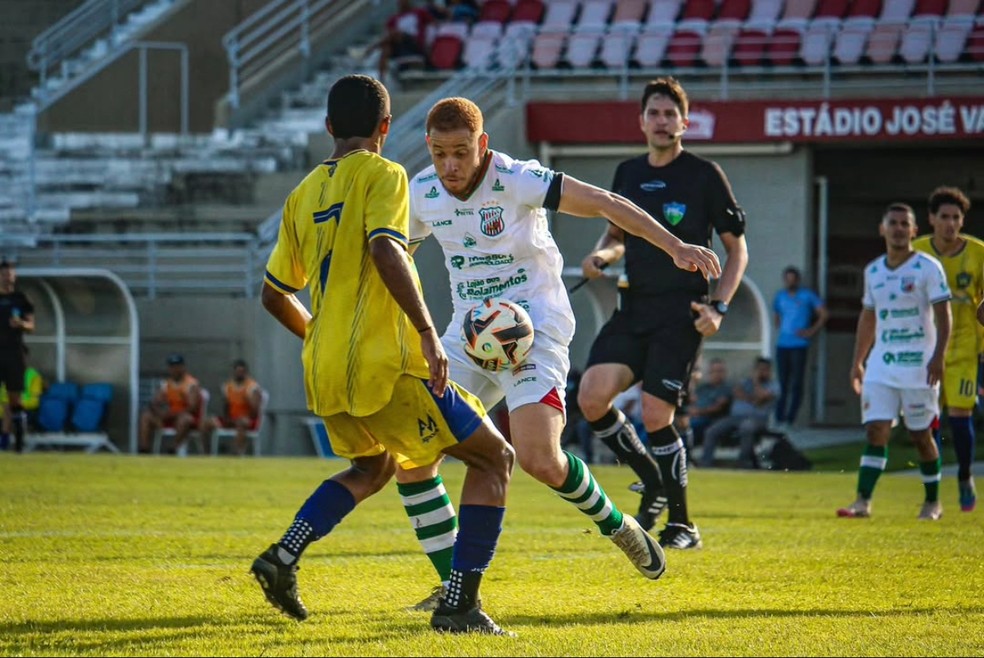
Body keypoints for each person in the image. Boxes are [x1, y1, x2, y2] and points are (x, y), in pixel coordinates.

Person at [399, 95, 721, 609]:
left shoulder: (516, 178)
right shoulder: (422, 191)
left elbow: (606, 203)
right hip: (468, 336)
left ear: (483, 144)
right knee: (412, 456)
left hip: (536, 330)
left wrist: (675, 247)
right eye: (439, 154)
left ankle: (618, 525)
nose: (450, 166)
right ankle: (452, 589)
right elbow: (395, 253)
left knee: (539, 460)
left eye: (460, 152)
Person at [251, 75, 516, 636]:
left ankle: (283, 555)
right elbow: (385, 248)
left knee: (372, 467)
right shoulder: (385, 174)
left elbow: (274, 294)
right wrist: (426, 330)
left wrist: (322, 339)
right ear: (386, 127)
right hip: (385, 365)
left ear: (329, 126)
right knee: (494, 459)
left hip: (323, 369)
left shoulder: (301, 195)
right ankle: (459, 606)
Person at [576, 77, 750, 547]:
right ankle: (652, 480)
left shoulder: (705, 175)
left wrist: (719, 307)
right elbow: (616, 236)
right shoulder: (628, 173)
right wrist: (601, 256)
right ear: (641, 121)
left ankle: (682, 525)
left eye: (670, 114)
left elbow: (738, 251)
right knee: (591, 397)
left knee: (656, 413)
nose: (661, 121)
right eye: (653, 113)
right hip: (632, 307)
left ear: (684, 123)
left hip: (681, 312)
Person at [837, 203, 951, 521]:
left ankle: (933, 502)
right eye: (893, 223)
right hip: (882, 364)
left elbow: (944, 316)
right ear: (882, 229)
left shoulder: (928, 268)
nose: (898, 229)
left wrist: (939, 356)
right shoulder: (873, 271)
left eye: (904, 224)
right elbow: (868, 317)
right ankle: (862, 501)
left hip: (919, 366)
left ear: (914, 230)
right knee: (876, 430)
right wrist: (858, 361)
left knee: (920, 435)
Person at [913, 186, 981, 513]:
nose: (950, 223)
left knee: (960, 416)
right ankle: (934, 491)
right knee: (927, 418)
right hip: (925, 347)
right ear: (931, 219)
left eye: (956, 217)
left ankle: (965, 475)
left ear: (962, 220)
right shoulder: (916, 252)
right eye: (944, 217)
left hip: (965, 347)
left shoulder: (979, 253)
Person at [772, 266, 828, 430]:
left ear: (797, 280)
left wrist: (811, 331)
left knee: (797, 383)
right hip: (782, 345)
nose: (790, 282)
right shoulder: (780, 296)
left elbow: (824, 314)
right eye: (787, 279)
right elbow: (777, 316)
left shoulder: (807, 295)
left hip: (799, 345)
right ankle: (779, 419)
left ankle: (790, 419)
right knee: (783, 383)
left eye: (793, 279)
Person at [699, 357, 779, 469]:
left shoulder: (773, 385)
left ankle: (743, 463)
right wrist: (752, 399)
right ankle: (705, 464)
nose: (761, 372)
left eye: (764, 370)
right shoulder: (744, 382)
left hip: (758, 419)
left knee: (746, 428)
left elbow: (761, 397)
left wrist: (756, 381)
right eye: (759, 369)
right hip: (735, 417)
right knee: (712, 430)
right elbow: (737, 392)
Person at [0, 260, 35, 454]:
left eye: (10, 274)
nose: (7, 277)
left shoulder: (21, 299)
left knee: (15, 399)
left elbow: (31, 326)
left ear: (14, 277)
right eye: (4, 274)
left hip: (14, 354)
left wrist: (21, 324)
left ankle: (19, 444)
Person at [137, 353, 202, 455]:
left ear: (183, 367)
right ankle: (144, 449)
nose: (175, 369)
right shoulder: (166, 384)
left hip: (185, 418)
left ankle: (173, 449)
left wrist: (172, 414)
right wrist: (159, 412)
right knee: (146, 416)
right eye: (172, 367)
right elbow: (154, 402)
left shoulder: (191, 384)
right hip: (169, 417)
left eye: (177, 366)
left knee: (185, 419)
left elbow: (192, 407)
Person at [200, 359, 263, 456]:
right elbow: (226, 406)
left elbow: (255, 411)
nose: (240, 374)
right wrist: (227, 418)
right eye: (238, 371)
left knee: (242, 423)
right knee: (205, 423)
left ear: (246, 372)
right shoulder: (227, 386)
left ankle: (236, 454)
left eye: (242, 372)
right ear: (234, 372)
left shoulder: (252, 387)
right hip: (231, 419)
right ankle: (206, 454)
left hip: (247, 420)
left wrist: (247, 400)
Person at [375, 0, 433, 82]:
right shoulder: (395, 18)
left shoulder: (419, 12)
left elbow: (433, 23)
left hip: (414, 43)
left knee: (397, 33)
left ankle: (372, 48)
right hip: (400, 45)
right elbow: (388, 33)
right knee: (386, 48)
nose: (403, 4)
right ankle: (381, 79)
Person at [688, 357, 732, 448]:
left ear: (725, 372)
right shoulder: (702, 388)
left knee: (689, 427)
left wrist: (698, 412)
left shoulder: (727, 389)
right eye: (714, 371)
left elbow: (717, 408)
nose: (717, 374)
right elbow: (692, 402)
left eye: (720, 371)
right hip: (694, 418)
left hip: (712, 420)